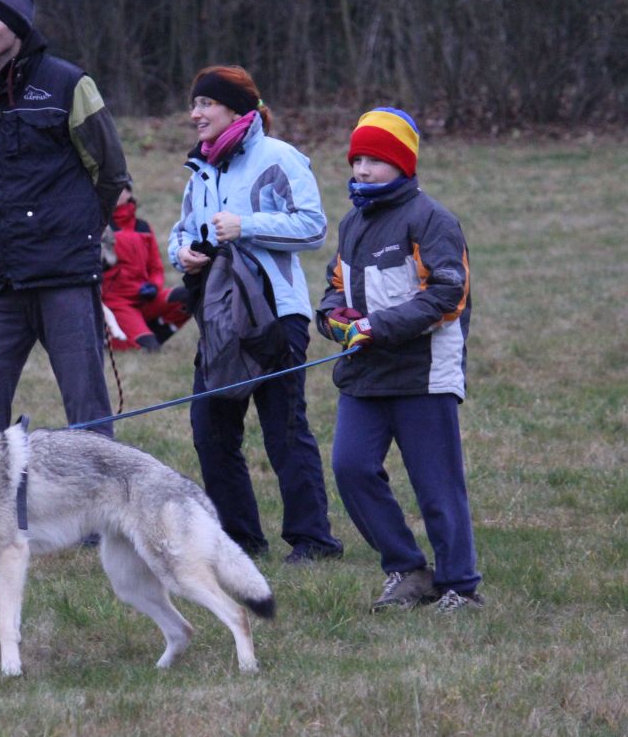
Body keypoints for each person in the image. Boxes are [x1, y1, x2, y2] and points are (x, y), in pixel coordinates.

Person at [168, 65, 343, 564]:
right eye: (194, 103)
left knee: (283, 427)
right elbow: (180, 231)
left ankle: (314, 540)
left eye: (206, 103)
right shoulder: (200, 168)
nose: (195, 113)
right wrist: (181, 253)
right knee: (210, 427)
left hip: (275, 316)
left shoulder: (278, 157)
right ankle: (241, 539)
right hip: (221, 319)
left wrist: (245, 225)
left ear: (237, 110)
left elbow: (312, 228)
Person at [0, 0, 130, 437]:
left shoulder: (68, 83)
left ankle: (101, 506)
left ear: (17, 25)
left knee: (88, 419)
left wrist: (80, 230)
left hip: (64, 274)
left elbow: (110, 172)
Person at [317, 107, 482, 612]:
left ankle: (460, 586)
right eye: (357, 159)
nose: (362, 170)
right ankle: (407, 569)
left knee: (437, 486)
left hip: (423, 376)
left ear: (404, 164)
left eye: (375, 160)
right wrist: (334, 319)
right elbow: (334, 287)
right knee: (351, 468)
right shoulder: (352, 223)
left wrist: (375, 327)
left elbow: (448, 296)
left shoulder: (432, 220)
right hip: (365, 376)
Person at [102, 184, 191, 351]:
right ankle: (109, 339)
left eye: (119, 188)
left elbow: (156, 267)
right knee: (147, 348)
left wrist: (154, 286)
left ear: (129, 192)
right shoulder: (101, 226)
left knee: (189, 296)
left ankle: (147, 335)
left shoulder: (143, 227)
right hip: (118, 303)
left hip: (145, 298)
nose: (114, 193)